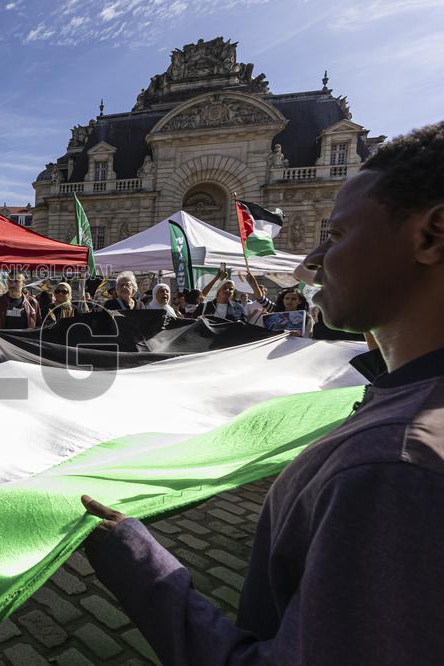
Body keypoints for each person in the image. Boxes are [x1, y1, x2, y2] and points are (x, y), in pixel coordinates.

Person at [79, 121, 444, 664]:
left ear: (431, 236)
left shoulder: (392, 464)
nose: (310, 261)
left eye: (336, 234)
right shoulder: (403, 416)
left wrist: (139, 563)